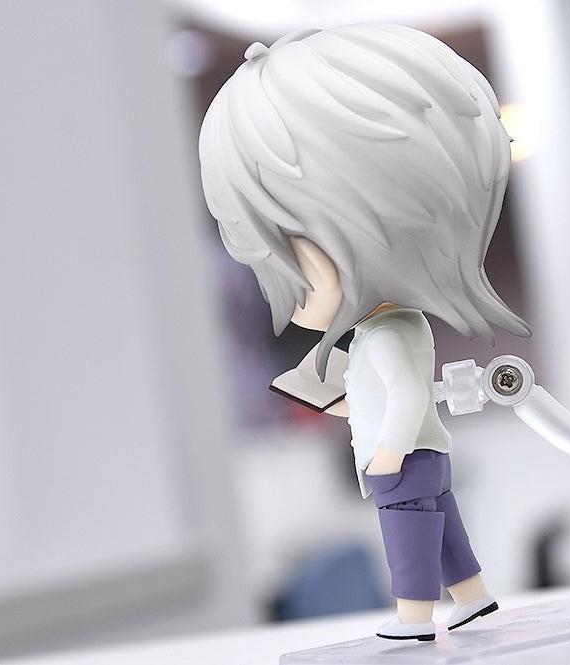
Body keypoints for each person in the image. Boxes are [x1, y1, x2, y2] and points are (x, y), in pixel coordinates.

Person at [199, 23, 531, 640]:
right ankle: (472, 595)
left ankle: (414, 618)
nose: (290, 293)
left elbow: (405, 397)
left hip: (405, 459)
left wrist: (386, 454)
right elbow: (385, 395)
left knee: (409, 538)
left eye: (293, 265)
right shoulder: (383, 332)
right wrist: (337, 400)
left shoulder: (390, 331)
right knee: (445, 531)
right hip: (421, 454)